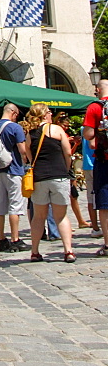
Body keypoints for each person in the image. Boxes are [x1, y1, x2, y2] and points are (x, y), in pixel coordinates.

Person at [25, 103, 75, 263]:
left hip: (39, 178)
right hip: (58, 175)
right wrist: (66, 169)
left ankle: (35, 251)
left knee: (39, 216)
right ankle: (68, 251)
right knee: (61, 216)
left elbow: (28, 155)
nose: (51, 114)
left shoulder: (30, 133)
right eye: (48, 111)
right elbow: (67, 152)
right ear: (44, 114)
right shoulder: (57, 129)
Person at [0, 102, 29, 252]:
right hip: (14, 170)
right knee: (15, 205)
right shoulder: (15, 127)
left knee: (0, 206)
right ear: (13, 113)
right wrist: (27, 160)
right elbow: (22, 149)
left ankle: (1, 239)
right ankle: (15, 239)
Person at [82, 78, 108, 255]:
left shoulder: (95, 107)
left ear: (98, 89)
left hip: (104, 161)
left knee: (105, 206)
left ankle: (107, 244)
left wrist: (93, 137)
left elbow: (88, 134)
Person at [54, 112, 91, 229]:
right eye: (65, 126)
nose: (66, 128)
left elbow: (69, 152)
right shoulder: (57, 134)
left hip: (67, 167)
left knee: (73, 195)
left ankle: (79, 220)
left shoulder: (62, 134)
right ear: (58, 123)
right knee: (64, 197)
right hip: (62, 168)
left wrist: (75, 144)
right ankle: (63, 223)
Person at [82, 132, 100, 234]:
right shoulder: (99, 125)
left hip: (87, 165)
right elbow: (93, 145)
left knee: (91, 197)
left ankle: (95, 227)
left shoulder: (83, 128)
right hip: (98, 163)